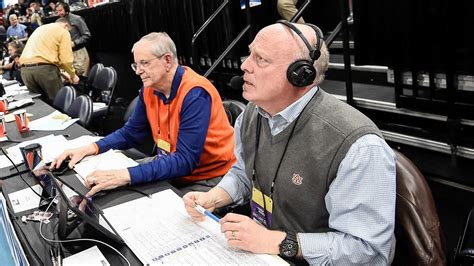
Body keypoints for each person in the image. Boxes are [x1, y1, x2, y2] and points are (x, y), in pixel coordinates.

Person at [183, 22, 396, 265]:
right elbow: (244, 173)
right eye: (250, 53)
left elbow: (367, 250)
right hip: (262, 253)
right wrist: (215, 197)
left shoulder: (358, 146)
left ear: (300, 74)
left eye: (261, 59)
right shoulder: (251, 115)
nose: (244, 65)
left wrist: (273, 241)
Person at [52, 32, 236, 196]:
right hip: (171, 162)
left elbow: (185, 161)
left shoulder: (195, 92)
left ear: (167, 60)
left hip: (209, 175)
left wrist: (126, 176)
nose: (139, 71)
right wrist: (89, 148)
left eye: (145, 63)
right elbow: (130, 133)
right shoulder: (150, 89)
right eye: (136, 65)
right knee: (104, 183)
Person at [19, 17, 79, 102]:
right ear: (66, 25)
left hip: (25, 71)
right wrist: (73, 75)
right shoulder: (63, 31)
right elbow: (66, 60)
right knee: (59, 103)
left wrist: (62, 72)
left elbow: (44, 54)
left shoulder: (40, 29)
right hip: (44, 71)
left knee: (41, 105)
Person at [55, 2, 91, 77]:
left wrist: (75, 43)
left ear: (66, 9)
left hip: (79, 53)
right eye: (57, 11)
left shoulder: (77, 19)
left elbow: (87, 35)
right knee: (70, 79)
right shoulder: (57, 22)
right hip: (66, 54)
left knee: (82, 77)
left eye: (60, 10)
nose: (58, 13)